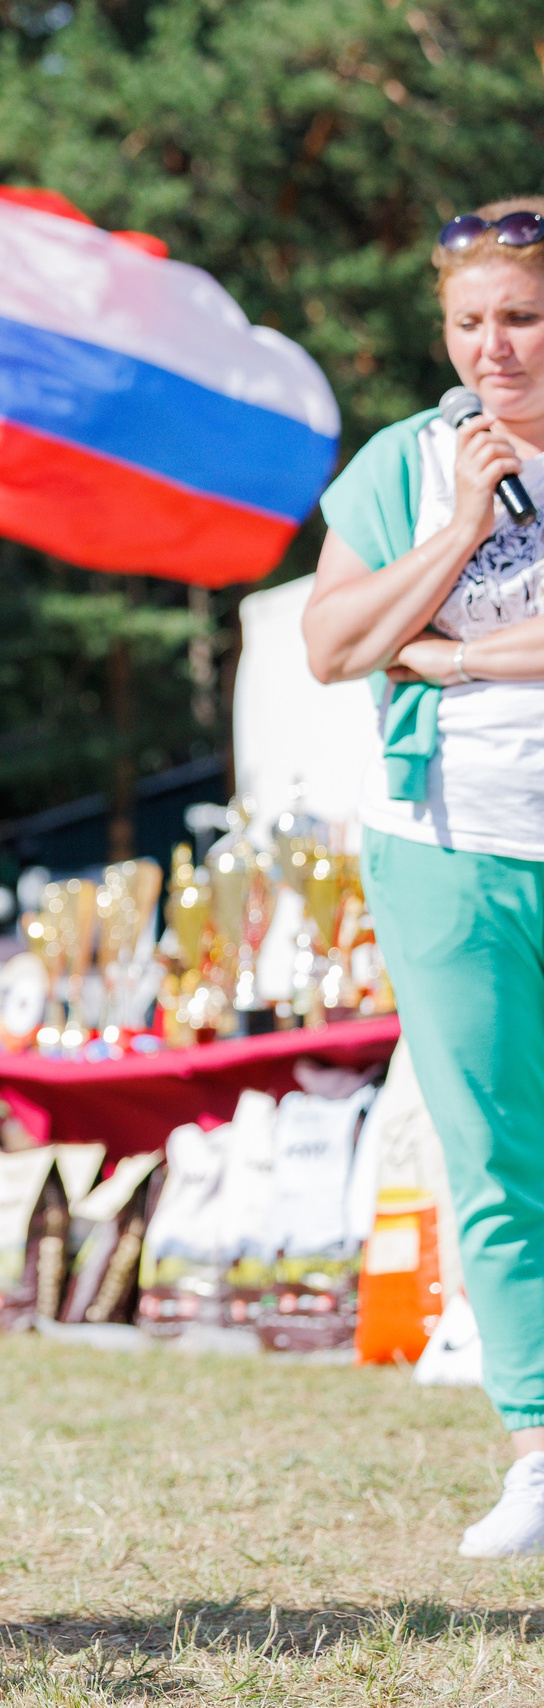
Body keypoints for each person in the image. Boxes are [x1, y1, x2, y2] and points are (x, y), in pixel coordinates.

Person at [304, 198, 544, 1557]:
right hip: (449, 844)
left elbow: (400, 650)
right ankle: (537, 1447)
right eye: (469, 324)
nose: (493, 350)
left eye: (520, 316)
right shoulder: (408, 461)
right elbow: (334, 650)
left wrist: (450, 652)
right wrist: (454, 530)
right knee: (497, 1159)